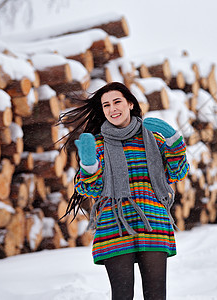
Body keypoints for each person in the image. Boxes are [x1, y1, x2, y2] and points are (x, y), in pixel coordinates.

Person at [58, 81, 189, 300]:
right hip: (114, 224)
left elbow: (177, 172)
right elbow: (90, 188)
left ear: (130, 104)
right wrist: (89, 165)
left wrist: (174, 142)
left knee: (156, 295)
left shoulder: (153, 138)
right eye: (106, 105)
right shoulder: (98, 144)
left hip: (153, 219)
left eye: (117, 101)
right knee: (122, 295)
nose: (112, 109)